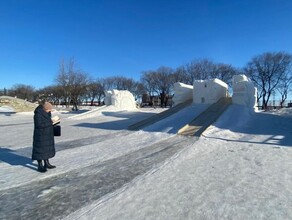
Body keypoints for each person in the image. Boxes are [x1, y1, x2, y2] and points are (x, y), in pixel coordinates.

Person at [32, 101, 57, 172]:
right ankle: (40, 165)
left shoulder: (48, 113)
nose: (50, 111)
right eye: (49, 109)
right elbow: (39, 125)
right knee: (40, 150)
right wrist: (50, 122)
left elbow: (48, 122)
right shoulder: (38, 114)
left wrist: (54, 122)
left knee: (46, 149)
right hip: (40, 135)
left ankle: (47, 163)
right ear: (45, 109)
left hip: (48, 134)